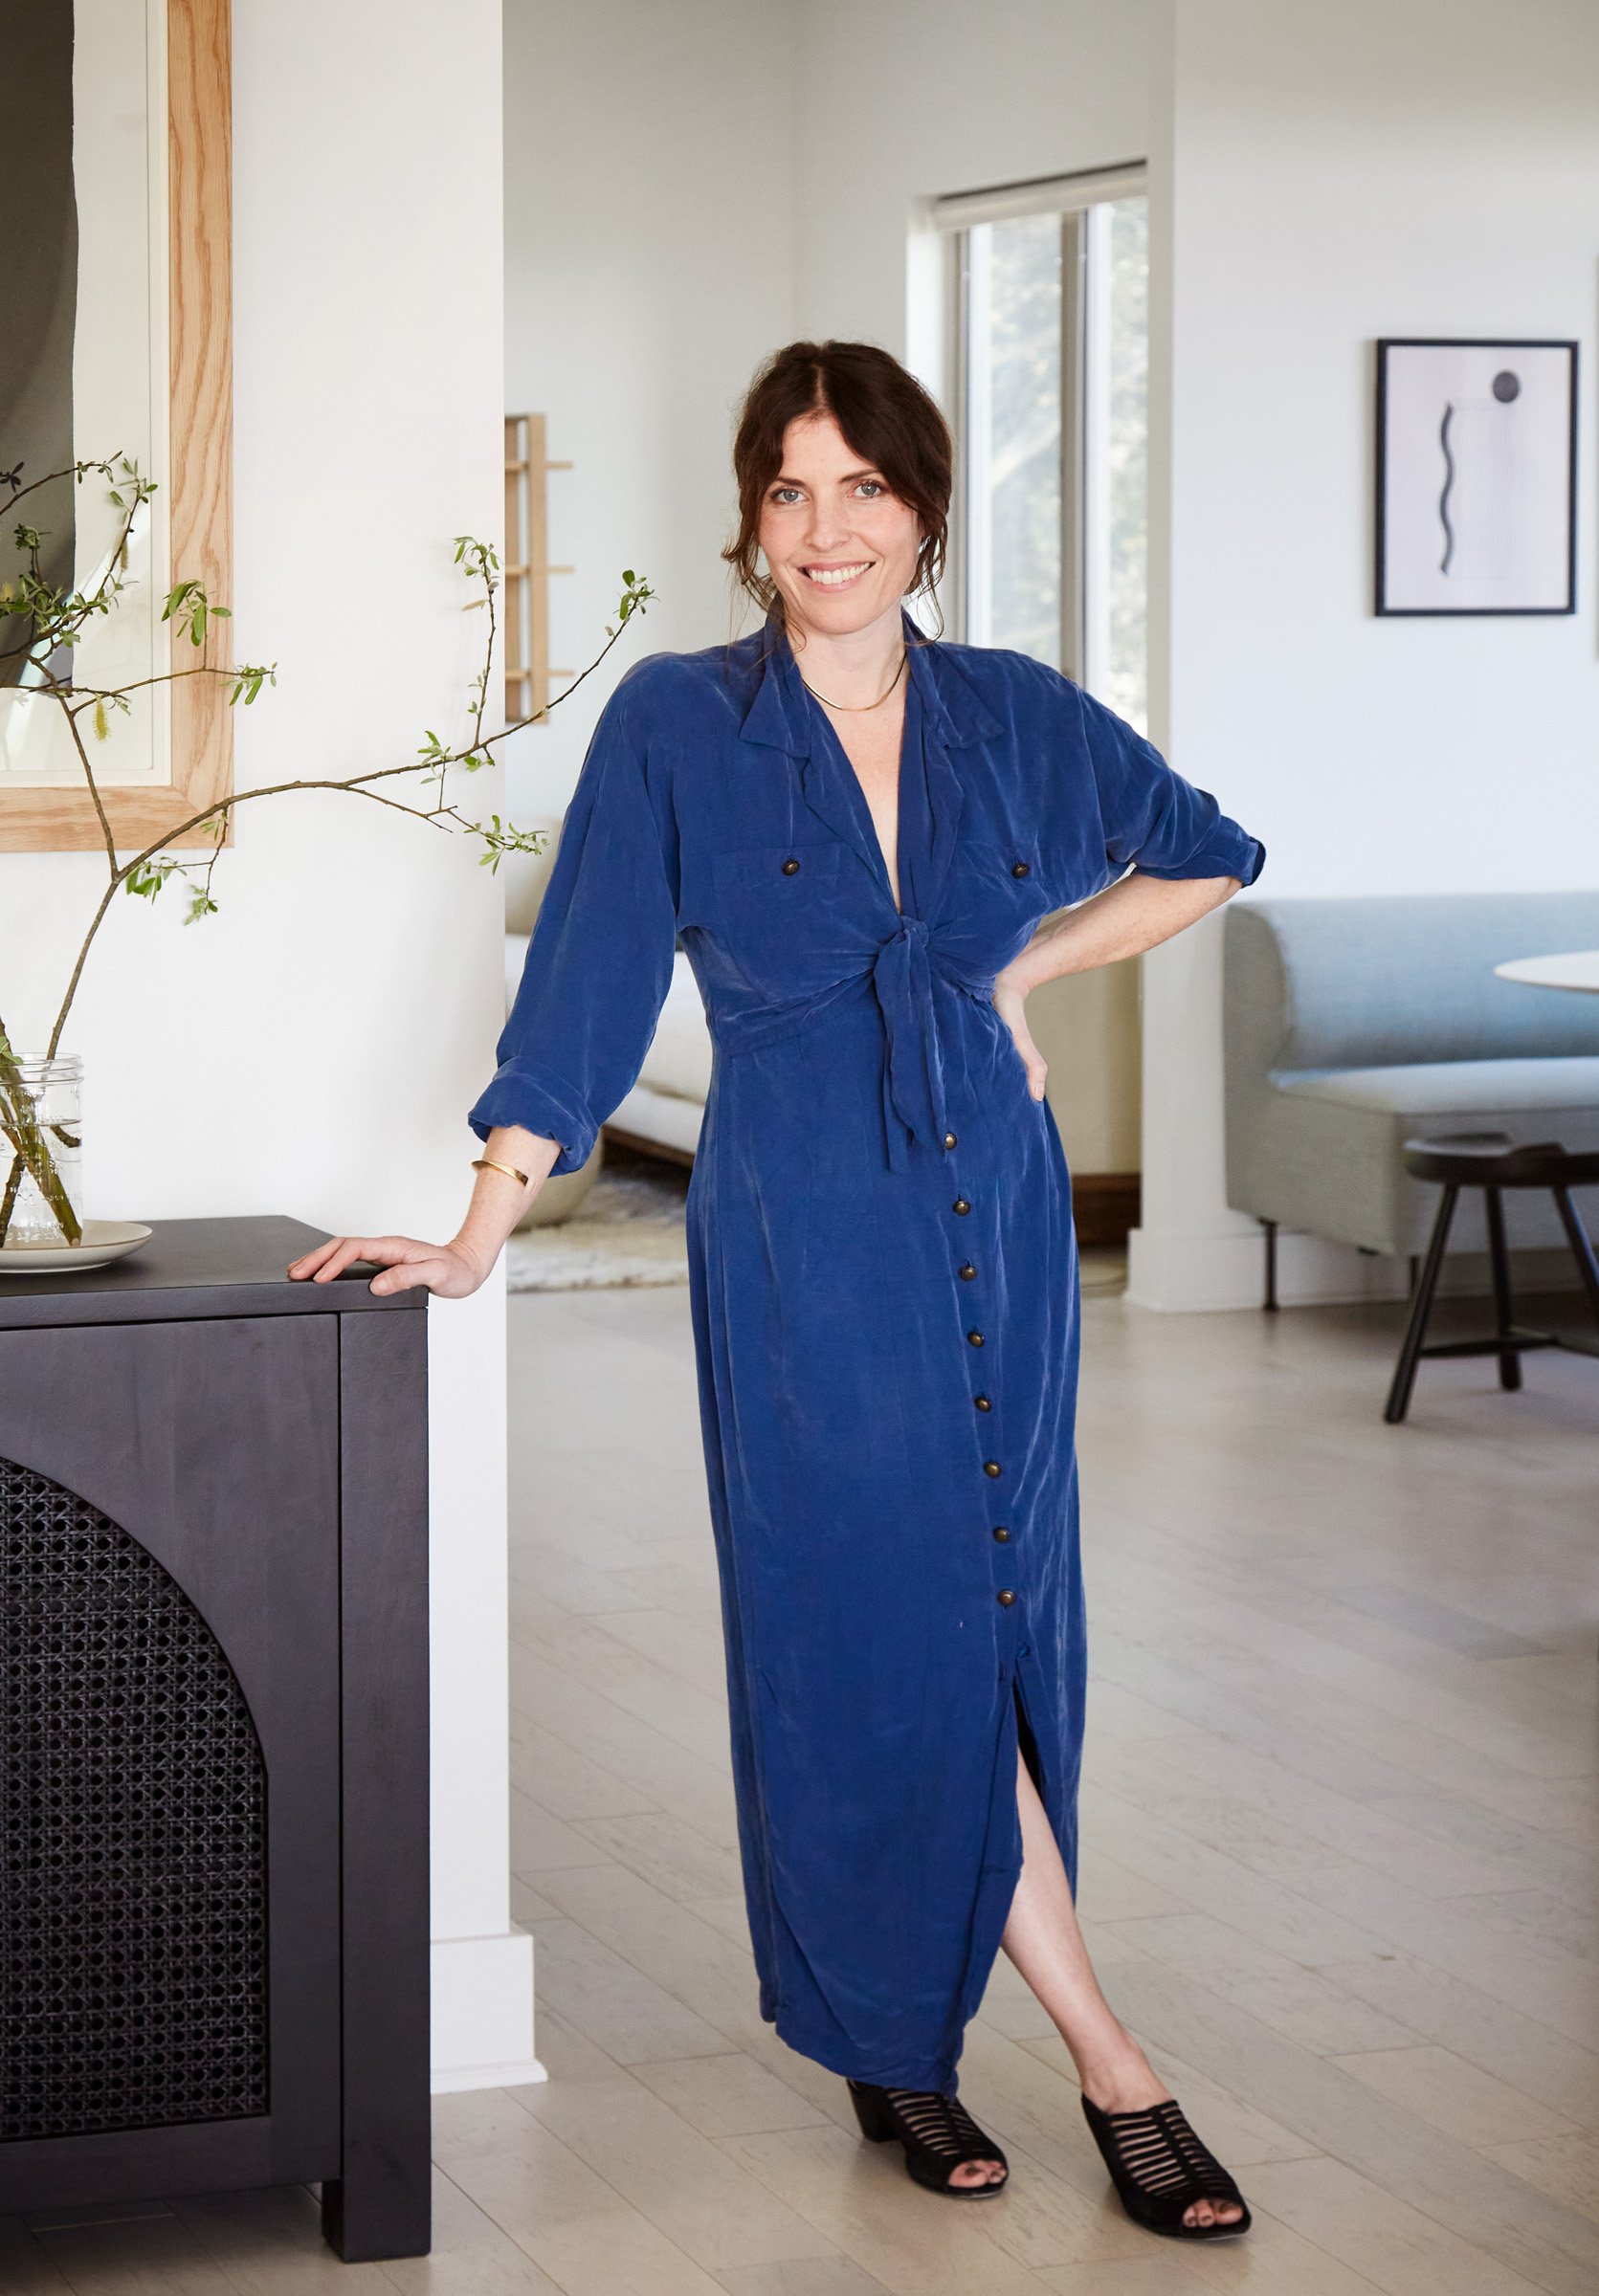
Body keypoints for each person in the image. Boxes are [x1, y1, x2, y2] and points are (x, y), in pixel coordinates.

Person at [291, 340, 1265, 2241]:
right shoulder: (679, 721)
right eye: (789, 490)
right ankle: (1103, 2052)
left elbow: (1205, 858)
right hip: (803, 1233)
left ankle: (895, 2042)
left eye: (866, 489)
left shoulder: (1017, 712)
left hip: (995, 1210)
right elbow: (579, 983)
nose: (829, 531)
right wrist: (480, 1225)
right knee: (866, 1639)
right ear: (749, 519)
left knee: (996, 1627)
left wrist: (1011, 984)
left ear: (921, 508)